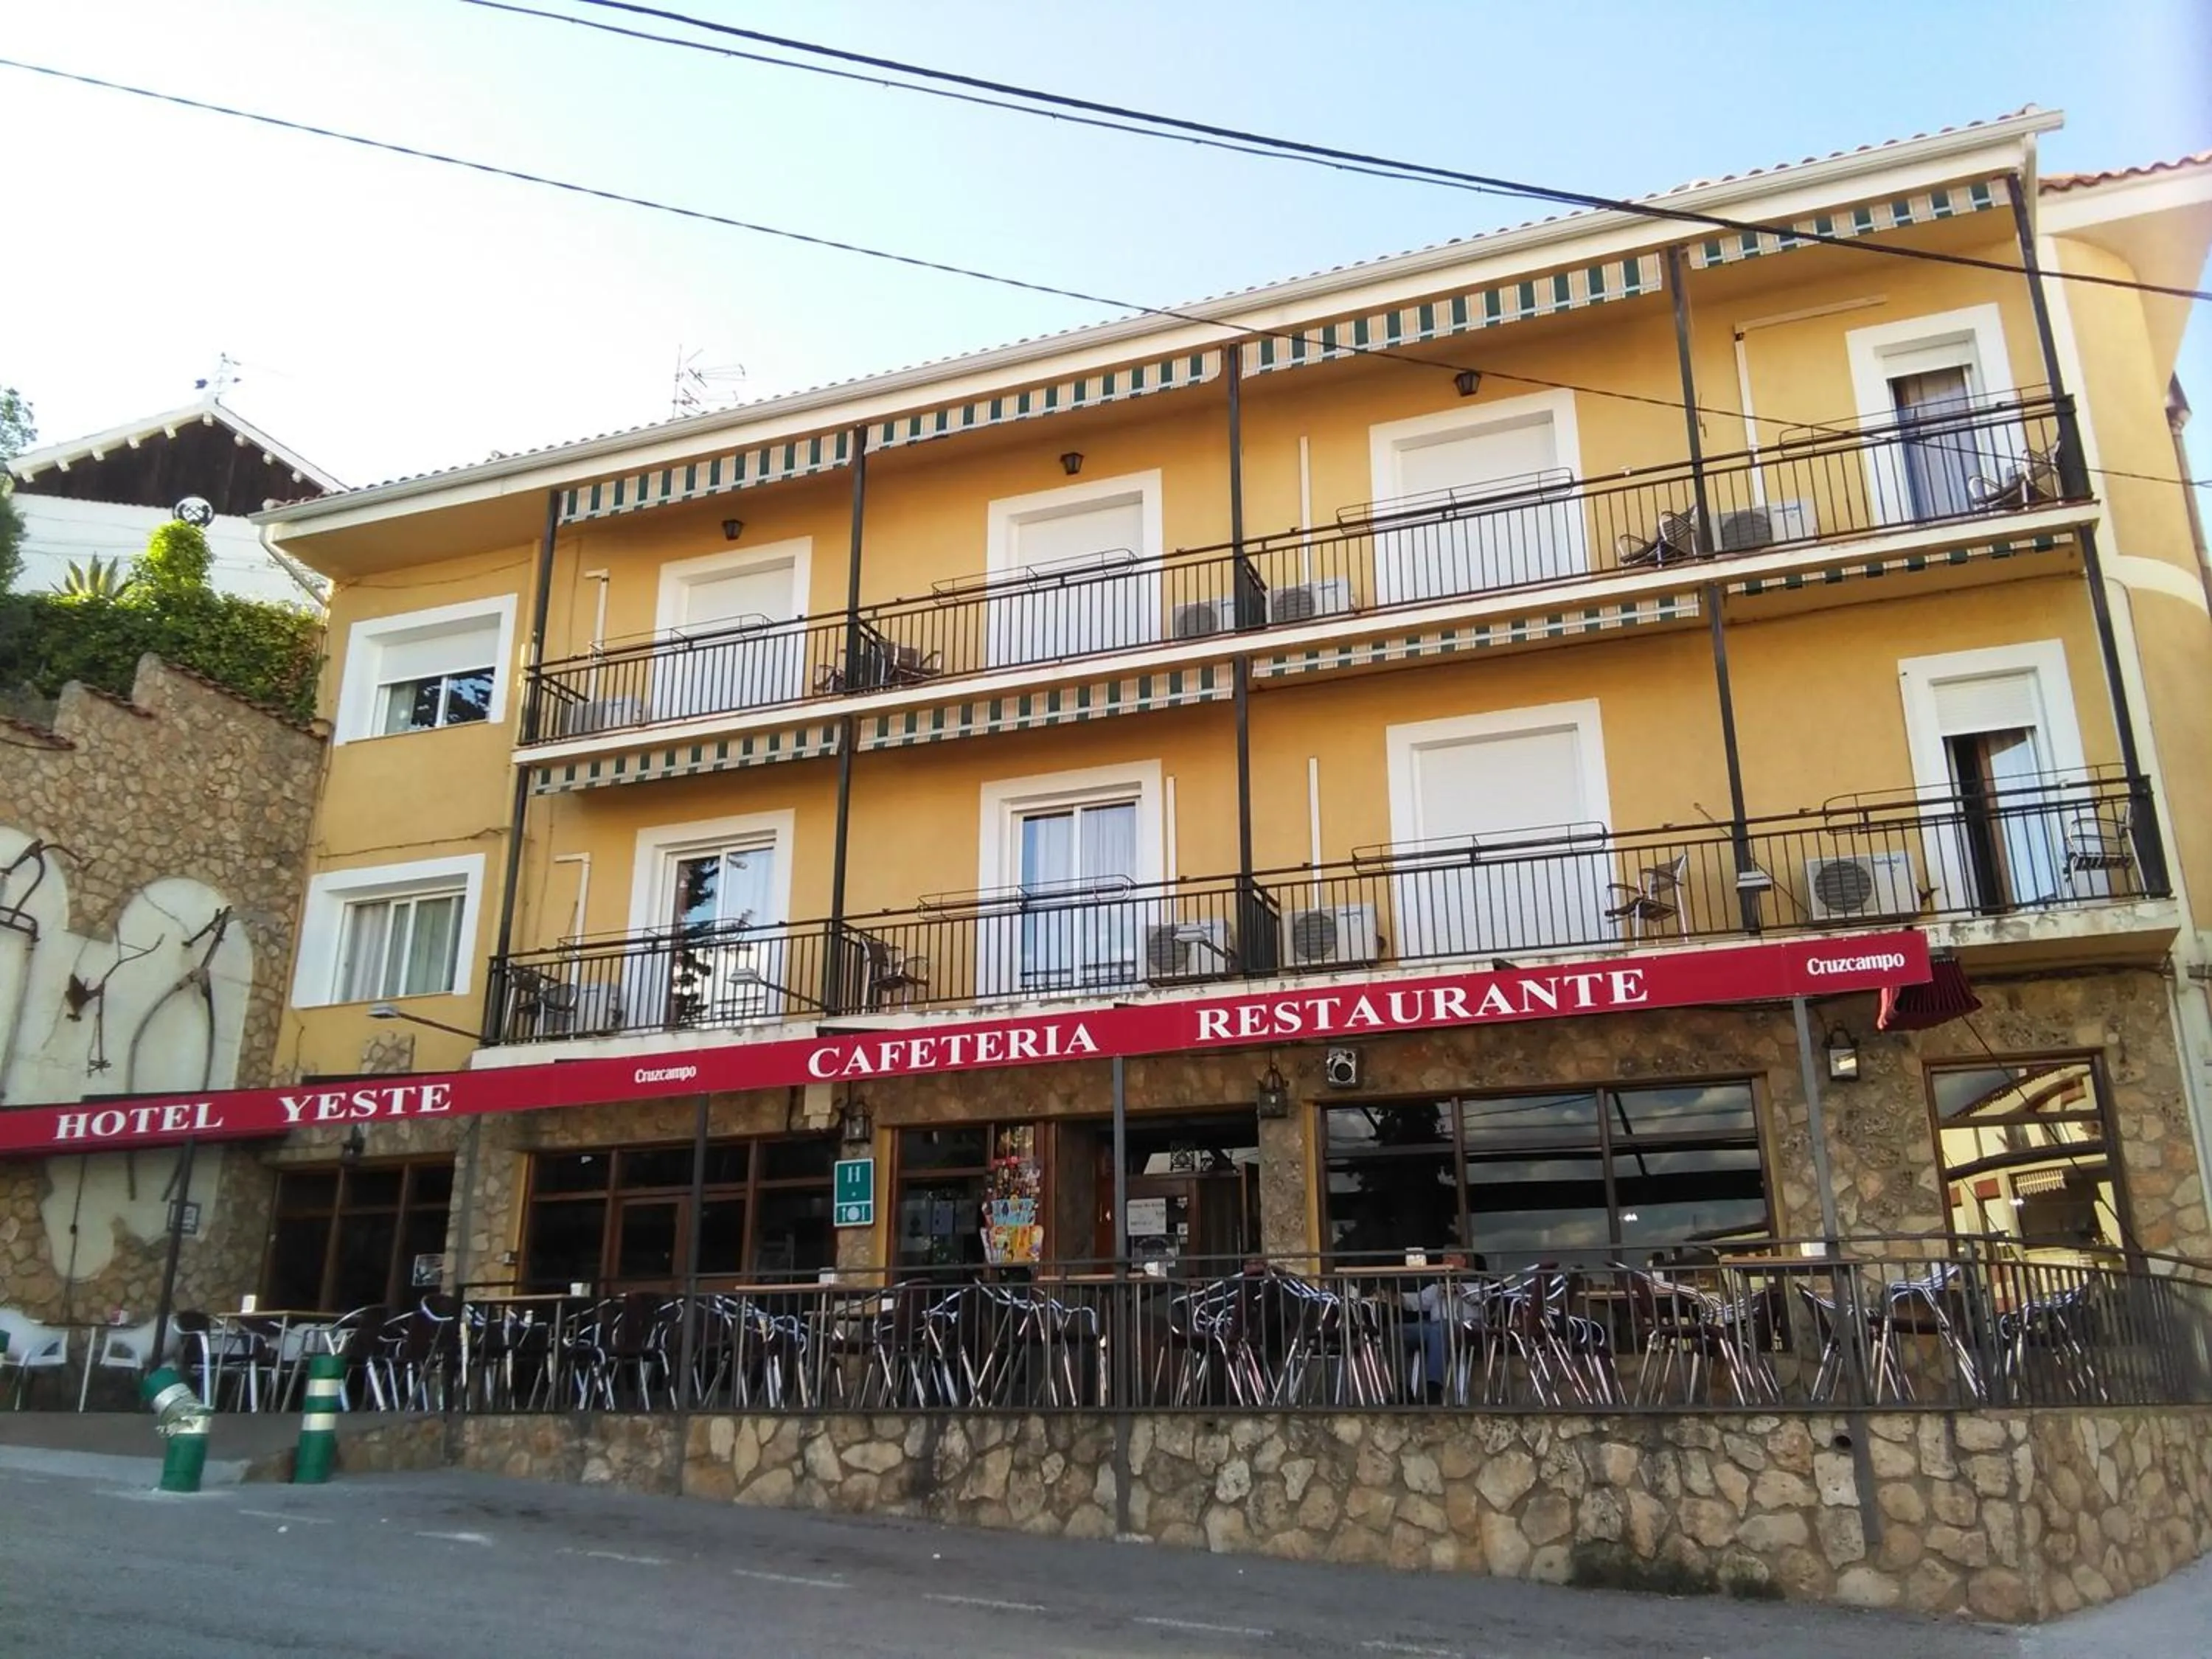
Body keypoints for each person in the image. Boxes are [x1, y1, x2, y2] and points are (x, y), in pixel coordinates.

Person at [1399, 1251, 1479, 1402]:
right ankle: (1400, 1388)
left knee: (1439, 1328)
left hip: (1466, 1327)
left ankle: (1433, 1390)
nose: (1444, 1262)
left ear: (1463, 1261)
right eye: (1443, 1259)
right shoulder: (1437, 1286)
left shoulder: (1478, 1282)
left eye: (1449, 1258)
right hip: (1434, 1327)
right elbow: (1415, 1302)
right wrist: (1395, 1297)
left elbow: (1483, 1302)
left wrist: (1461, 1291)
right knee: (1396, 1331)